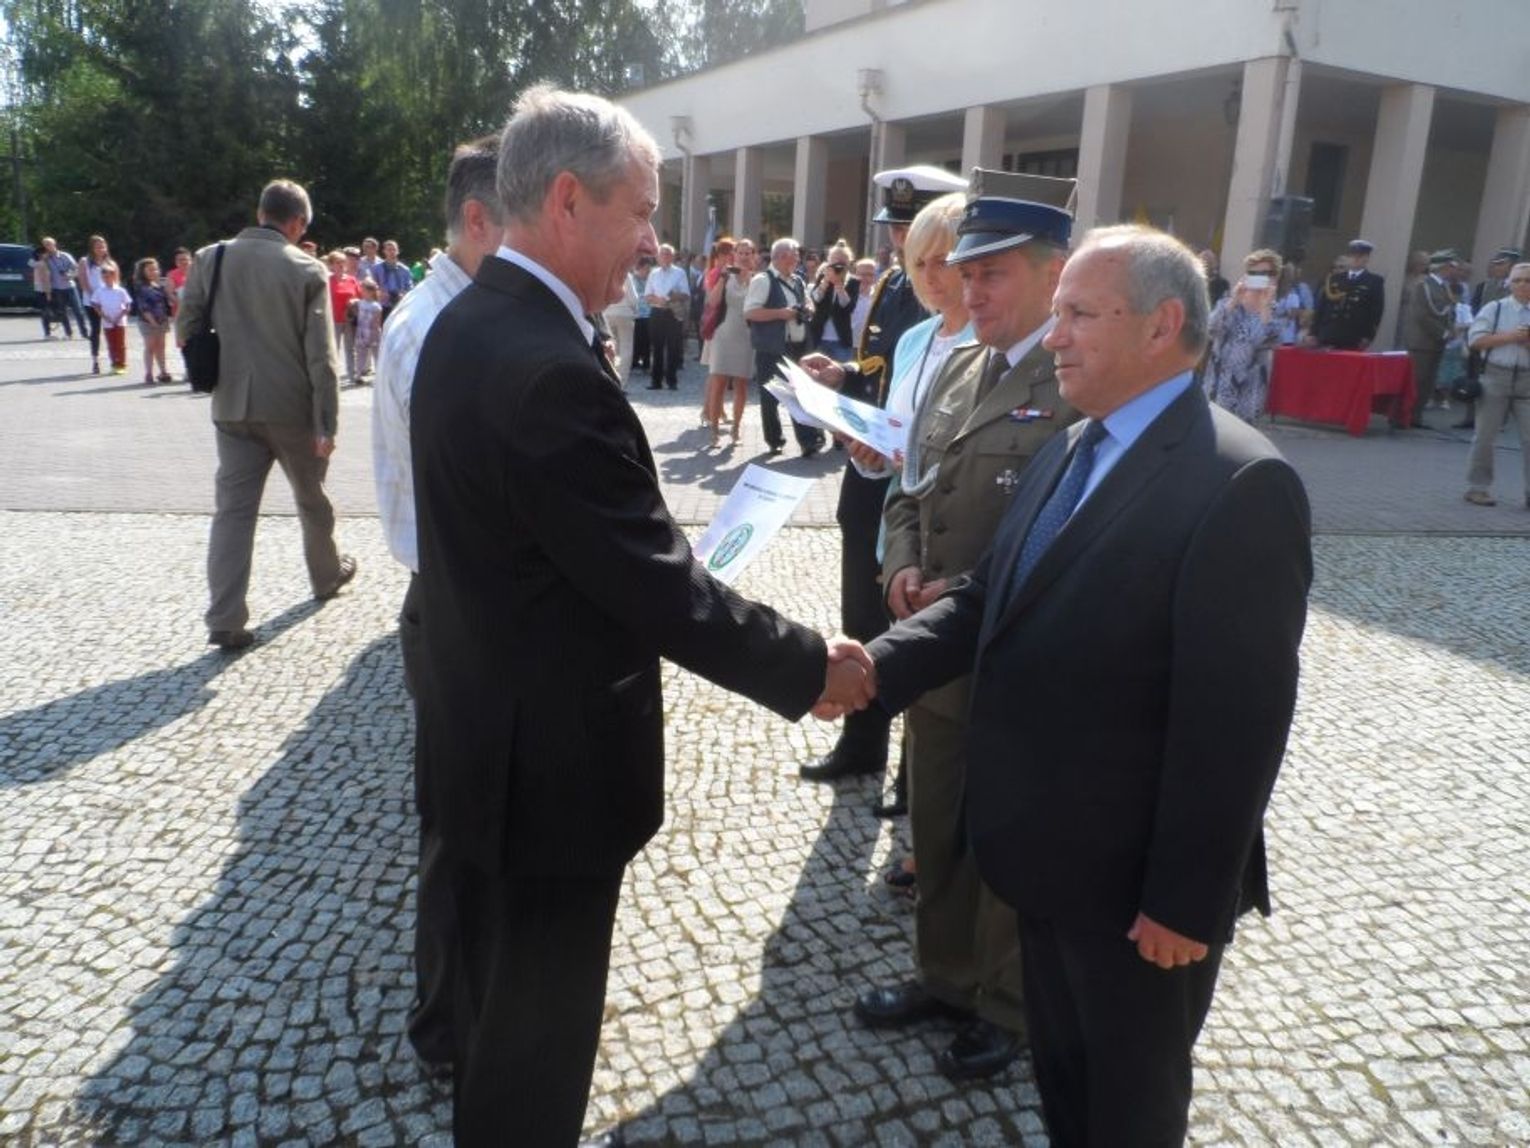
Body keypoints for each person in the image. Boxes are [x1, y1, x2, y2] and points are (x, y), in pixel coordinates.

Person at [408, 85, 869, 1148]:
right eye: (644, 212)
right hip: (548, 777)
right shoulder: (545, 367)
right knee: (533, 1044)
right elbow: (659, 589)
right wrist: (813, 667)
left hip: (483, 737)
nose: (656, 242)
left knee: (492, 1005)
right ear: (568, 199)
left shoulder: (470, 320)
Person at [860, 224, 1313, 1146]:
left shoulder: (1240, 482)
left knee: (1127, 1109)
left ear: (1162, 325)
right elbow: (987, 599)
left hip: (1136, 897)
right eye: (1057, 312)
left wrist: (1183, 901)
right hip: (1047, 862)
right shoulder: (1076, 445)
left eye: (1078, 314)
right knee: (1067, 1089)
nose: (1055, 335)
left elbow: (1236, 724)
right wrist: (872, 667)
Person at [848, 185, 1081, 1082]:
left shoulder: (1073, 381)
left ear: (1053, 276)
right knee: (939, 827)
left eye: (992, 275)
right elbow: (912, 489)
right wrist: (900, 570)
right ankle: (945, 976)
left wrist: (965, 588)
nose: (969, 291)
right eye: (964, 273)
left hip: (1018, 662)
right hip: (939, 657)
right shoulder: (955, 367)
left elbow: (1077, 526)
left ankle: (1007, 1003)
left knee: (1007, 839)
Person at [371, 136, 504, 1075]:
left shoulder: (457, 313)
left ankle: (472, 1002)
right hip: (458, 602)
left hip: (460, 595)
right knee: (457, 828)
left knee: (472, 816)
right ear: (478, 220)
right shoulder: (436, 329)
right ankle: (447, 1024)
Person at [794, 164, 966, 813]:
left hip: (929, 511)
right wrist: (851, 402)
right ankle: (864, 745)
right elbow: (884, 374)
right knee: (863, 621)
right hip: (879, 490)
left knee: (920, 640)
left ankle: (915, 778)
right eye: (906, 243)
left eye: (934, 254)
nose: (913, 261)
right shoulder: (904, 299)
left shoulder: (982, 338)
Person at [175, 178, 355, 651]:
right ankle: (325, 576)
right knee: (312, 499)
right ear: (297, 223)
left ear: (260, 214)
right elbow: (322, 357)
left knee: (233, 514)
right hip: (291, 408)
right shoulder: (307, 269)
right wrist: (326, 423)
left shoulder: (210, 257)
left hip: (231, 405)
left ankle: (225, 616)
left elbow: (185, 327)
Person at [744, 237, 824, 456]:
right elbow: (750, 313)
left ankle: (808, 441)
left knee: (800, 394)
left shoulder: (797, 280)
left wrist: (807, 308)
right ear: (780, 256)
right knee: (770, 397)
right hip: (771, 348)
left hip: (798, 348)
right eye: (795, 254)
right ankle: (774, 440)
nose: (798, 258)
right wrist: (781, 313)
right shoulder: (762, 280)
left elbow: (808, 303)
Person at [1463, 262, 1530, 508]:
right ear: (1509, 283)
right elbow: (1476, 340)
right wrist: (1511, 337)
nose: (1522, 285)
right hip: (1495, 375)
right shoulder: (1495, 308)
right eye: (1518, 280)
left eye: (1528, 280)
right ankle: (1478, 488)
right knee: (1485, 436)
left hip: (1527, 380)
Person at [1204, 249, 1284, 422]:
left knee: (1242, 433)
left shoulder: (1275, 311)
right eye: (1253, 273)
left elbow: (1270, 340)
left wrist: (1265, 306)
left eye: (1265, 273)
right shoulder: (1228, 303)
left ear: (1275, 277)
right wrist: (1234, 300)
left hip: (1250, 388)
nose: (1259, 277)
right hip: (1218, 383)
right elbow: (1211, 329)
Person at [702, 237, 757, 445]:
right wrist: (723, 278)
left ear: (753, 256)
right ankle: (714, 430)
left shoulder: (758, 279)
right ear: (734, 255)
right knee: (719, 382)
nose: (743, 256)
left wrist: (750, 279)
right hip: (723, 333)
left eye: (747, 253)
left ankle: (736, 428)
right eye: (740, 252)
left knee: (741, 384)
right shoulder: (725, 275)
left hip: (746, 335)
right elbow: (712, 301)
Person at [1400, 250, 1461, 426]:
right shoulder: (1424, 285)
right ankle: (1403, 416)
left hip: (1434, 343)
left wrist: (1450, 330)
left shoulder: (1442, 286)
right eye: (1452, 267)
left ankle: (1415, 417)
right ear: (1444, 267)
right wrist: (1444, 333)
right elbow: (1422, 315)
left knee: (1427, 382)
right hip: (1421, 342)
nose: (1455, 270)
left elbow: (1446, 312)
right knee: (1416, 381)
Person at [1309, 238, 1385, 350]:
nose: (1356, 259)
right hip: (1328, 334)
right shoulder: (1335, 279)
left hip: (1354, 337)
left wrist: (1368, 337)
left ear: (1367, 258)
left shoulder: (1374, 281)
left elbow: (1376, 312)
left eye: (1360, 256)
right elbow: (1322, 307)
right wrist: (1314, 332)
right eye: (1353, 255)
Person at [642, 242, 689, 390]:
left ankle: (672, 381)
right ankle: (656, 381)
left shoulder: (679, 273)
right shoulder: (653, 273)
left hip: (672, 313)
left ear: (673, 257)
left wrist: (669, 298)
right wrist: (658, 300)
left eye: (668, 254)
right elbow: (647, 295)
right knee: (657, 347)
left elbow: (685, 294)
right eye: (662, 254)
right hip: (657, 312)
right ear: (657, 257)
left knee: (673, 347)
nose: (665, 257)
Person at [808, 238, 859, 362]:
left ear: (848, 263)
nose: (838, 266)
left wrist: (839, 285)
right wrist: (825, 282)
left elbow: (848, 306)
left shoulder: (853, 282)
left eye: (842, 262)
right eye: (834, 262)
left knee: (841, 370)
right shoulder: (823, 277)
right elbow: (815, 299)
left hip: (841, 339)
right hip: (819, 337)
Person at [131, 256, 173, 384]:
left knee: (161, 346)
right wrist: (153, 322)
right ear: (143, 272)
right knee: (150, 346)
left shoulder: (159, 285)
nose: (154, 272)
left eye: (155, 269)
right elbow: (144, 308)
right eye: (150, 270)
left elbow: (166, 302)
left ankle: (163, 371)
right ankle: (149, 373)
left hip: (161, 320)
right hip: (147, 322)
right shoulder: (141, 287)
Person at [324, 250, 362, 384]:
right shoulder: (327, 280)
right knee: (333, 349)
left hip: (349, 319)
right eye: (337, 262)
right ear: (331, 265)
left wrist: (355, 301)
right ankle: (332, 377)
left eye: (343, 262)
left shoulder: (352, 279)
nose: (341, 265)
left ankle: (352, 376)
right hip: (333, 320)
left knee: (350, 348)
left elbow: (361, 297)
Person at [602, 260, 639, 389]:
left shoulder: (605, 272)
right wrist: (635, 309)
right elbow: (633, 298)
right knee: (626, 348)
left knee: (612, 347)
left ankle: (610, 377)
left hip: (608, 312)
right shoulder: (626, 274)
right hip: (624, 313)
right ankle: (621, 382)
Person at [80, 235, 114, 375]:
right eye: (98, 246)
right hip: (91, 301)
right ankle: (95, 360)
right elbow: (84, 282)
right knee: (95, 330)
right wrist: (95, 299)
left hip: (108, 301)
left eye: (103, 246)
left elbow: (115, 281)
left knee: (111, 329)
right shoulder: (85, 261)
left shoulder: (109, 262)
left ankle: (115, 360)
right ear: (92, 248)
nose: (101, 249)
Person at [39, 237, 85, 339]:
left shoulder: (65, 256)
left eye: (49, 244)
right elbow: (38, 268)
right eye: (45, 245)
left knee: (78, 310)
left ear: (54, 244)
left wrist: (70, 275)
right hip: (57, 288)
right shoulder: (45, 259)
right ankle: (69, 333)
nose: (47, 247)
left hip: (70, 287)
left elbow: (77, 268)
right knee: (62, 312)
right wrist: (43, 260)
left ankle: (84, 333)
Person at [92, 261, 132, 375]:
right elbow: (95, 305)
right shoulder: (99, 291)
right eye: (104, 276)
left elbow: (128, 305)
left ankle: (122, 364)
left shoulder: (120, 290)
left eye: (109, 276)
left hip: (120, 321)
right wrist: (104, 316)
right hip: (107, 322)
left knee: (120, 344)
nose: (106, 278)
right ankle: (114, 364)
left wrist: (119, 317)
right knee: (111, 344)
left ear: (114, 276)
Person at [352, 280, 384, 380]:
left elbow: (377, 322)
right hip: (361, 332)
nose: (362, 292)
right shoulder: (360, 303)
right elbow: (357, 314)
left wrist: (374, 334)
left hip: (373, 333)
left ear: (371, 292)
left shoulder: (376, 306)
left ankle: (379, 375)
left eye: (364, 290)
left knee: (376, 354)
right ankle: (358, 375)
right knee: (360, 354)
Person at [374, 239, 413, 319]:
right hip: (383, 305)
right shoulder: (377, 268)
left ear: (398, 251)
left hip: (400, 305)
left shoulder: (405, 270)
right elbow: (373, 286)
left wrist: (404, 294)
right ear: (384, 251)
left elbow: (410, 288)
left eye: (394, 249)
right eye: (389, 250)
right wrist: (379, 292)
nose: (391, 252)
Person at [30, 245, 57, 339]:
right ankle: (47, 334)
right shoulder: (42, 264)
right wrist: (48, 293)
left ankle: (47, 333)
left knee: (44, 311)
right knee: (46, 312)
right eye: (46, 253)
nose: (48, 254)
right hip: (44, 290)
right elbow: (45, 280)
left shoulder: (37, 264)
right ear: (41, 254)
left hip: (38, 290)